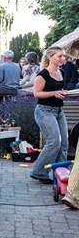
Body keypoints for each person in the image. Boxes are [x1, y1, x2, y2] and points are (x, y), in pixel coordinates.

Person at [30, 47, 69, 184]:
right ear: (51, 57)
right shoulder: (43, 75)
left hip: (59, 111)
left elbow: (58, 90)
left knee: (64, 143)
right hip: (45, 111)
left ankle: (62, 174)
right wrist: (54, 93)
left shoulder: (61, 72)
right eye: (60, 56)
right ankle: (38, 172)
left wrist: (63, 93)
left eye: (64, 56)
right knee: (54, 143)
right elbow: (37, 93)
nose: (63, 58)